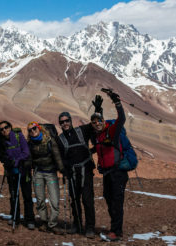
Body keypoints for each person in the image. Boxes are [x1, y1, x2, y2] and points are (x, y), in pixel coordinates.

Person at [57, 95, 103, 237]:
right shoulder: (60, 139)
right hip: (72, 173)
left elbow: (97, 125)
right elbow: (61, 156)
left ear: (70, 121)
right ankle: (77, 225)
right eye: (62, 122)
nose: (65, 123)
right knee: (75, 200)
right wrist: (64, 169)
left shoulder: (82, 130)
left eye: (67, 120)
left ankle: (89, 227)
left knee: (87, 200)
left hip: (86, 170)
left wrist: (98, 109)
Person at [91, 91, 127, 242]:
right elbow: (98, 122)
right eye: (94, 122)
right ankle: (116, 228)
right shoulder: (98, 136)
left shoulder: (112, 131)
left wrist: (117, 102)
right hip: (107, 173)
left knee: (116, 202)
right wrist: (98, 110)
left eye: (99, 121)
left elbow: (122, 119)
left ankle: (116, 232)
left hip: (118, 172)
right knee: (108, 198)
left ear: (103, 121)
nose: (97, 123)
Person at [26, 122, 65, 234]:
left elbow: (57, 155)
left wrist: (62, 169)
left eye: (34, 128)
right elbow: (29, 158)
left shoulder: (49, 140)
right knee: (40, 199)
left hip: (51, 173)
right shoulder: (30, 144)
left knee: (54, 200)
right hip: (38, 173)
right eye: (30, 130)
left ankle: (52, 224)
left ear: (39, 129)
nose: (33, 131)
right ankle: (43, 222)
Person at [0, 121, 35, 230]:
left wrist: (16, 161)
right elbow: (2, 155)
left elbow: (26, 152)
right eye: (1, 129)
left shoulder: (19, 136)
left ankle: (30, 219)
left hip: (23, 171)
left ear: (10, 127)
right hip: (11, 172)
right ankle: (15, 217)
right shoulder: (2, 142)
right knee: (13, 196)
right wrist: (6, 161)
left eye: (6, 127)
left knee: (27, 196)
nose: (4, 130)